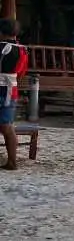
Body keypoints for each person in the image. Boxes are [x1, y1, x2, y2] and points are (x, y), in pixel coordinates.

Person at [0, 20, 20, 170]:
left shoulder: (2, 48)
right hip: (12, 89)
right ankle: (12, 161)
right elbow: (20, 73)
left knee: (6, 126)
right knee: (8, 126)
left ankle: (12, 162)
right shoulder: (22, 50)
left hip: (2, 88)